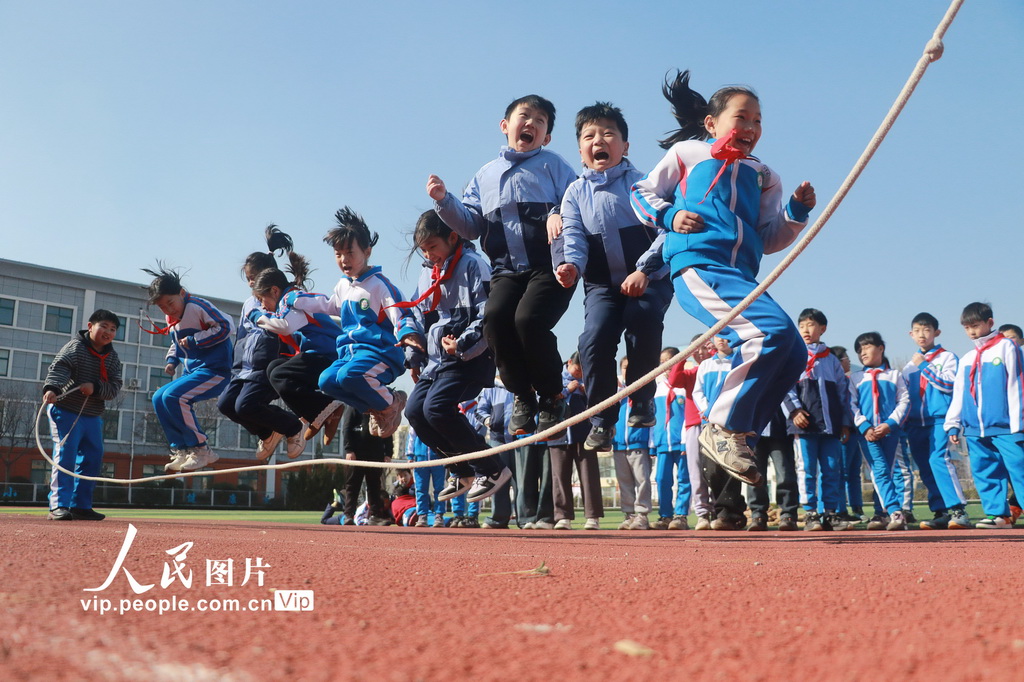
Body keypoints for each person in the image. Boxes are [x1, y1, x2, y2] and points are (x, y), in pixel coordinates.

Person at [630, 70, 815, 487]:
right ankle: (723, 425)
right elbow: (640, 193)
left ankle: (740, 434)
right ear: (713, 123)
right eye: (742, 117)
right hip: (698, 265)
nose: (750, 128)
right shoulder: (688, 154)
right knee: (766, 334)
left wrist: (795, 214)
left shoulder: (764, 176)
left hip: (740, 275)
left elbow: (769, 239)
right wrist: (670, 215)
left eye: (757, 121)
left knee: (792, 351)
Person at [428, 94, 578, 437]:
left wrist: (557, 215)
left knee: (528, 320)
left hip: (548, 267)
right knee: (495, 320)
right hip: (506, 270)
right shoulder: (484, 176)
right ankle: (522, 395)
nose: (531, 124)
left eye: (540, 122)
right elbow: (469, 225)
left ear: (547, 137)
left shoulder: (554, 166)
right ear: (505, 126)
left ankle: (553, 395)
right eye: (524, 116)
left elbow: (575, 204)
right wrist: (443, 201)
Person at [552, 101, 672, 450]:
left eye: (608, 134)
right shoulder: (575, 192)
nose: (598, 141)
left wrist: (644, 270)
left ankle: (642, 399)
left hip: (649, 277)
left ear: (625, 146)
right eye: (590, 136)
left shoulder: (643, 184)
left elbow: (667, 230)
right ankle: (602, 419)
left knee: (642, 317)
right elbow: (572, 235)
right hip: (603, 284)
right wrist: (571, 265)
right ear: (580, 149)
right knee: (594, 337)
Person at [402, 210, 512, 504]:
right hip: (436, 362)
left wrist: (462, 344)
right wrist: (413, 352)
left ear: (453, 237)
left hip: (468, 357)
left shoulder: (475, 265)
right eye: (424, 250)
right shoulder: (427, 273)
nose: (429, 255)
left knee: (437, 408)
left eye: (433, 247)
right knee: (414, 411)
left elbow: (488, 312)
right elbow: (415, 316)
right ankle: (460, 469)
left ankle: (491, 469)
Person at [315, 207, 423, 438]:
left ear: (367, 251)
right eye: (338, 254)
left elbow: (400, 313)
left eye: (350, 253)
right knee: (327, 381)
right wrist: (295, 300)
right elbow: (328, 305)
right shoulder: (343, 286)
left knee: (348, 376)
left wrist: (407, 333)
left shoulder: (379, 285)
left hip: (381, 355)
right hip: (350, 355)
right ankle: (378, 407)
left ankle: (391, 402)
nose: (344, 260)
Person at [218, 226, 306, 462]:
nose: (250, 284)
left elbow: (287, 329)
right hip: (242, 368)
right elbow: (243, 335)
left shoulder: (282, 298)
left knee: (245, 406)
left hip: (265, 366)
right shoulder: (248, 303)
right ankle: (268, 432)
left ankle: (292, 427)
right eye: (248, 279)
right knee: (225, 404)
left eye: (254, 279)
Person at [143, 265, 234, 472]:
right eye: (163, 307)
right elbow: (177, 342)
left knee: (174, 397)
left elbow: (226, 326)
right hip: (193, 371)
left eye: (170, 303)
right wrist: (172, 360)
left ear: (182, 293)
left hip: (215, 371)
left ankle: (202, 449)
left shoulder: (197, 306)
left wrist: (194, 340)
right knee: (159, 398)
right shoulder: (171, 319)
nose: (168, 310)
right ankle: (181, 449)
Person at [945, 302, 1024, 529]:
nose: (971, 331)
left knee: (1019, 467)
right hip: (974, 429)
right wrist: (953, 424)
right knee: (985, 471)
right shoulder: (967, 357)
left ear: (990, 323)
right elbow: (959, 393)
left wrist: (1018, 422)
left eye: (975, 325)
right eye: (967, 327)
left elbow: (1017, 384)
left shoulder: (1007, 347)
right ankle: (998, 515)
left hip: (1006, 426)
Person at [42, 309, 123, 521]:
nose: (108, 331)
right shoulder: (75, 348)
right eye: (103, 326)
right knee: (65, 456)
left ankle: (81, 505)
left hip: (92, 415)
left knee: (93, 458)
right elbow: (59, 368)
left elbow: (114, 388)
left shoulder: (112, 358)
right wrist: (52, 388)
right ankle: (59, 504)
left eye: (113, 329)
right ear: (90, 326)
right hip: (66, 410)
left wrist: (95, 388)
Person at [255, 263, 346, 447]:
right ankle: (317, 416)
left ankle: (326, 408)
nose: (263, 306)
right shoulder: (287, 301)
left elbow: (285, 326)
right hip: (316, 353)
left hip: (328, 354)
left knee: (279, 374)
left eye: (261, 299)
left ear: (274, 291)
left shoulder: (292, 299)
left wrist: (257, 317)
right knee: (274, 368)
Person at [783, 308, 853, 531]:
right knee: (807, 469)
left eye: (811, 325)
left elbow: (843, 392)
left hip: (830, 425)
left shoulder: (831, 359)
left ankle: (830, 512)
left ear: (822, 329)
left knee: (832, 468)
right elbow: (784, 387)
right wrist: (794, 411)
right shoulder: (794, 356)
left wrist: (845, 422)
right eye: (802, 325)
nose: (806, 329)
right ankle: (811, 513)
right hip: (804, 425)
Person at [901, 312, 970, 530]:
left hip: (939, 420)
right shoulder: (908, 366)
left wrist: (924, 366)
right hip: (915, 424)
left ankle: (958, 510)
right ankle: (940, 511)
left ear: (936, 333)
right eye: (918, 331)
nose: (922, 335)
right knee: (925, 467)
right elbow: (904, 398)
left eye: (927, 330)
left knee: (938, 460)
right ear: (911, 334)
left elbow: (949, 386)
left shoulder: (947, 358)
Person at [849, 332, 909, 531]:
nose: (862, 352)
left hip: (890, 432)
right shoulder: (856, 378)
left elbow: (904, 401)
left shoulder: (895, 375)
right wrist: (865, 426)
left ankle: (879, 513)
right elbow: (851, 405)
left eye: (866, 347)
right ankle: (895, 511)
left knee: (887, 471)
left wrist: (890, 423)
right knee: (880, 470)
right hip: (868, 435)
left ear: (880, 348)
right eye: (859, 350)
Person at [691, 336, 748, 530]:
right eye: (718, 335)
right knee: (712, 469)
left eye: (727, 335)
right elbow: (697, 391)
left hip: (733, 424)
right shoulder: (706, 365)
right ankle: (723, 511)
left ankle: (729, 514)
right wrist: (708, 410)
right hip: (710, 424)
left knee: (731, 467)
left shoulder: (740, 363)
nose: (722, 340)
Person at [549, 353, 603, 530]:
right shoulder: (555, 376)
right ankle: (563, 517)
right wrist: (568, 390)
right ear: (569, 363)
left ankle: (593, 517)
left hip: (584, 434)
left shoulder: (589, 380)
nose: (579, 374)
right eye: (578, 370)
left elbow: (600, 403)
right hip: (558, 434)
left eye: (583, 371)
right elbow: (548, 397)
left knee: (589, 476)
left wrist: (588, 392)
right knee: (560, 477)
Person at [667, 334, 715, 530]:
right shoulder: (691, 374)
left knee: (716, 470)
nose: (701, 352)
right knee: (695, 471)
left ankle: (719, 510)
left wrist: (715, 351)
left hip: (716, 425)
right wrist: (682, 357)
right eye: (697, 349)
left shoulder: (717, 370)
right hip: (694, 425)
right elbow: (674, 379)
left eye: (705, 347)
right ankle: (702, 513)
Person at [651, 347, 690, 530]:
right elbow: (654, 417)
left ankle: (681, 515)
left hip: (681, 442)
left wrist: (685, 439)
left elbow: (688, 414)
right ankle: (665, 515)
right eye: (662, 361)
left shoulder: (684, 386)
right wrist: (652, 444)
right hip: (662, 442)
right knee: (662, 479)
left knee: (684, 478)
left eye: (669, 360)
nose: (665, 365)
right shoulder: (657, 388)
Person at [612, 357, 653, 530]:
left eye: (630, 367)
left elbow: (652, 419)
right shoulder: (616, 394)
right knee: (624, 482)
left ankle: (642, 515)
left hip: (639, 445)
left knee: (642, 480)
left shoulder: (644, 394)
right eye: (624, 367)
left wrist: (651, 444)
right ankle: (629, 514)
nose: (626, 371)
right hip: (619, 445)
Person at [747, 405, 800, 531]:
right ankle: (757, 515)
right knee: (754, 476)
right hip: (753, 431)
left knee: (785, 474)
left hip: (780, 429)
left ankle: (788, 515)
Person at [340, 405, 393, 526]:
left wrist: (388, 452)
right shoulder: (354, 406)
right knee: (352, 485)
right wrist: (349, 450)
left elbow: (387, 430)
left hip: (376, 453)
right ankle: (348, 515)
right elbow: (346, 428)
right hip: (356, 454)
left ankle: (375, 516)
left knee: (374, 486)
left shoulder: (379, 406)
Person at [475, 377, 517, 529]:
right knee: (498, 481)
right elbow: (479, 410)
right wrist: (488, 420)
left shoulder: (522, 383)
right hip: (497, 441)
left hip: (521, 439)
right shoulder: (490, 387)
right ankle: (498, 518)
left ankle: (524, 518)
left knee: (521, 483)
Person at [830, 345, 866, 521]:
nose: (849, 361)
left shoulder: (850, 380)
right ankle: (840, 509)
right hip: (844, 431)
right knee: (842, 472)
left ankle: (857, 508)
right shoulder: (838, 381)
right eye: (845, 358)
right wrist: (844, 425)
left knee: (854, 472)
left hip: (856, 431)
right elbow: (842, 406)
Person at [405, 428, 447, 528]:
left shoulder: (439, 417)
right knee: (420, 489)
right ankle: (422, 515)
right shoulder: (417, 417)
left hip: (439, 458)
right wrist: (410, 456)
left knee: (440, 488)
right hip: (420, 458)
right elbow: (412, 436)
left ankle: (439, 515)